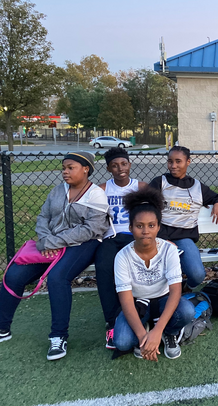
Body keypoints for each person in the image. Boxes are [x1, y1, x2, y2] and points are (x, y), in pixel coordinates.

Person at [0, 152, 110, 360]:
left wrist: (51, 242)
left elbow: (91, 229)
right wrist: (45, 239)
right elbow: (43, 217)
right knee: (14, 274)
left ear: (86, 169)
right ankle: (2, 328)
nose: (65, 172)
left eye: (70, 167)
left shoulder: (95, 194)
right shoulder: (58, 191)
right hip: (48, 244)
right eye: (63, 168)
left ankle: (58, 336)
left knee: (58, 277)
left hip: (83, 245)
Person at [112, 187, 195, 360]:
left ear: (158, 227)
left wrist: (158, 332)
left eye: (151, 225)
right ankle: (145, 328)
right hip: (139, 304)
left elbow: (175, 291)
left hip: (164, 299)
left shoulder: (169, 250)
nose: (145, 231)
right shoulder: (122, 257)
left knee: (187, 311)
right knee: (122, 341)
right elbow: (126, 300)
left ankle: (168, 332)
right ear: (130, 227)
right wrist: (143, 337)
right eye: (139, 226)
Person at [148, 146, 218, 290]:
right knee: (157, 275)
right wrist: (163, 239)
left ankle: (184, 290)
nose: (173, 166)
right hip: (159, 238)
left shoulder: (197, 187)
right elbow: (147, 211)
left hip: (184, 239)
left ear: (188, 162)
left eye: (178, 161)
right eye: (170, 161)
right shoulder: (160, 182)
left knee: (197, 275)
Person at [94, 147, 147, 350]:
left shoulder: (140, 186)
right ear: (108, 168)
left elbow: (154, 211)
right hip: (111, 237)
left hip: (135, 235)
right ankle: (112, 322)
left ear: (129, 165)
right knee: (105, 268)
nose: (120, 168)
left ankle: (143, 311)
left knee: (140, 264)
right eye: (114, 165)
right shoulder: (102, 189)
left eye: (123, 164)